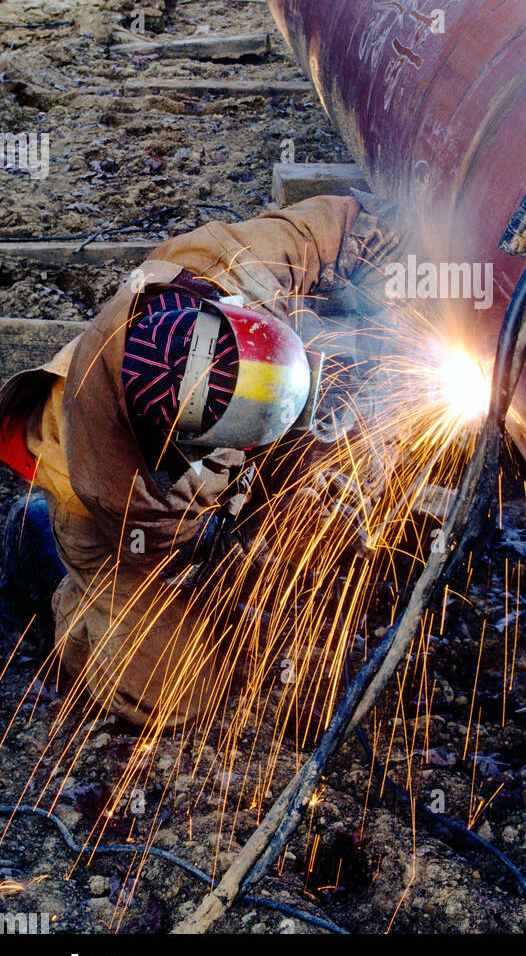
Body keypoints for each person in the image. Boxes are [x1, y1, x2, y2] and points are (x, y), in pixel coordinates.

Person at [0, 191, 400, 729]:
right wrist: (269, 550)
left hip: (204, 452)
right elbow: (191, 554)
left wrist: (402, 309)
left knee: (348, 453)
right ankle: (50, 566)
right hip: (107, 531)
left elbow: (356, 225)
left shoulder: (225, 261)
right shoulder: (120, 485)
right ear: (194, 439)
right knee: (176, 694)